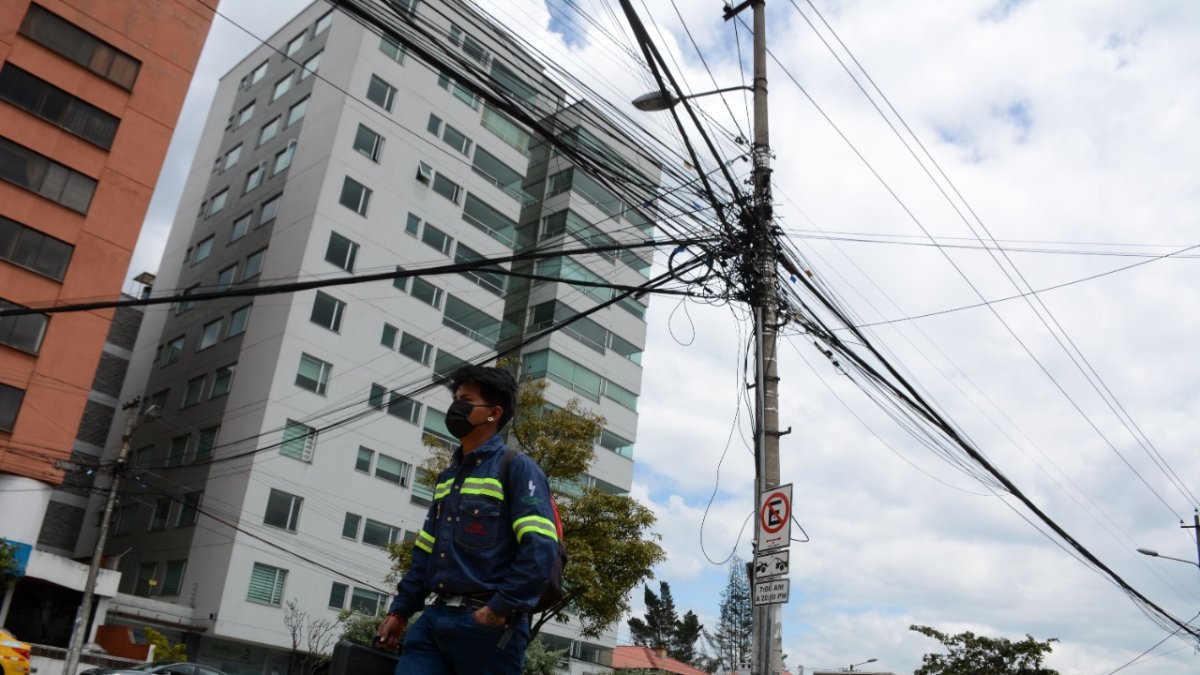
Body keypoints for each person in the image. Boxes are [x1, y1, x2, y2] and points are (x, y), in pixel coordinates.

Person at [375, 365, 558, 674]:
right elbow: (425, 552)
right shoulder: (447, 478)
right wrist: (400, 611)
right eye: (455, 399)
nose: (456, 407)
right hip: (434, 619)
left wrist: (498, 609)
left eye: (466, 400)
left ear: (494, 413)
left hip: (488, 626)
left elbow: (540, 547)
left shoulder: (517, 468)